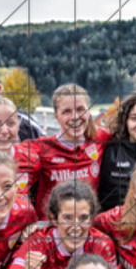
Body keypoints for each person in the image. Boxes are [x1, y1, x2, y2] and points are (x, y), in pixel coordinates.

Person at [27, 84, 111, 218]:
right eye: (66, 111)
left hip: (85, 227)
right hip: (50, 229)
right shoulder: (41, 148)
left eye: (80, 109)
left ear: (88, 112)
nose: (75, 117)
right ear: (56, 116)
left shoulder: (100, 139)